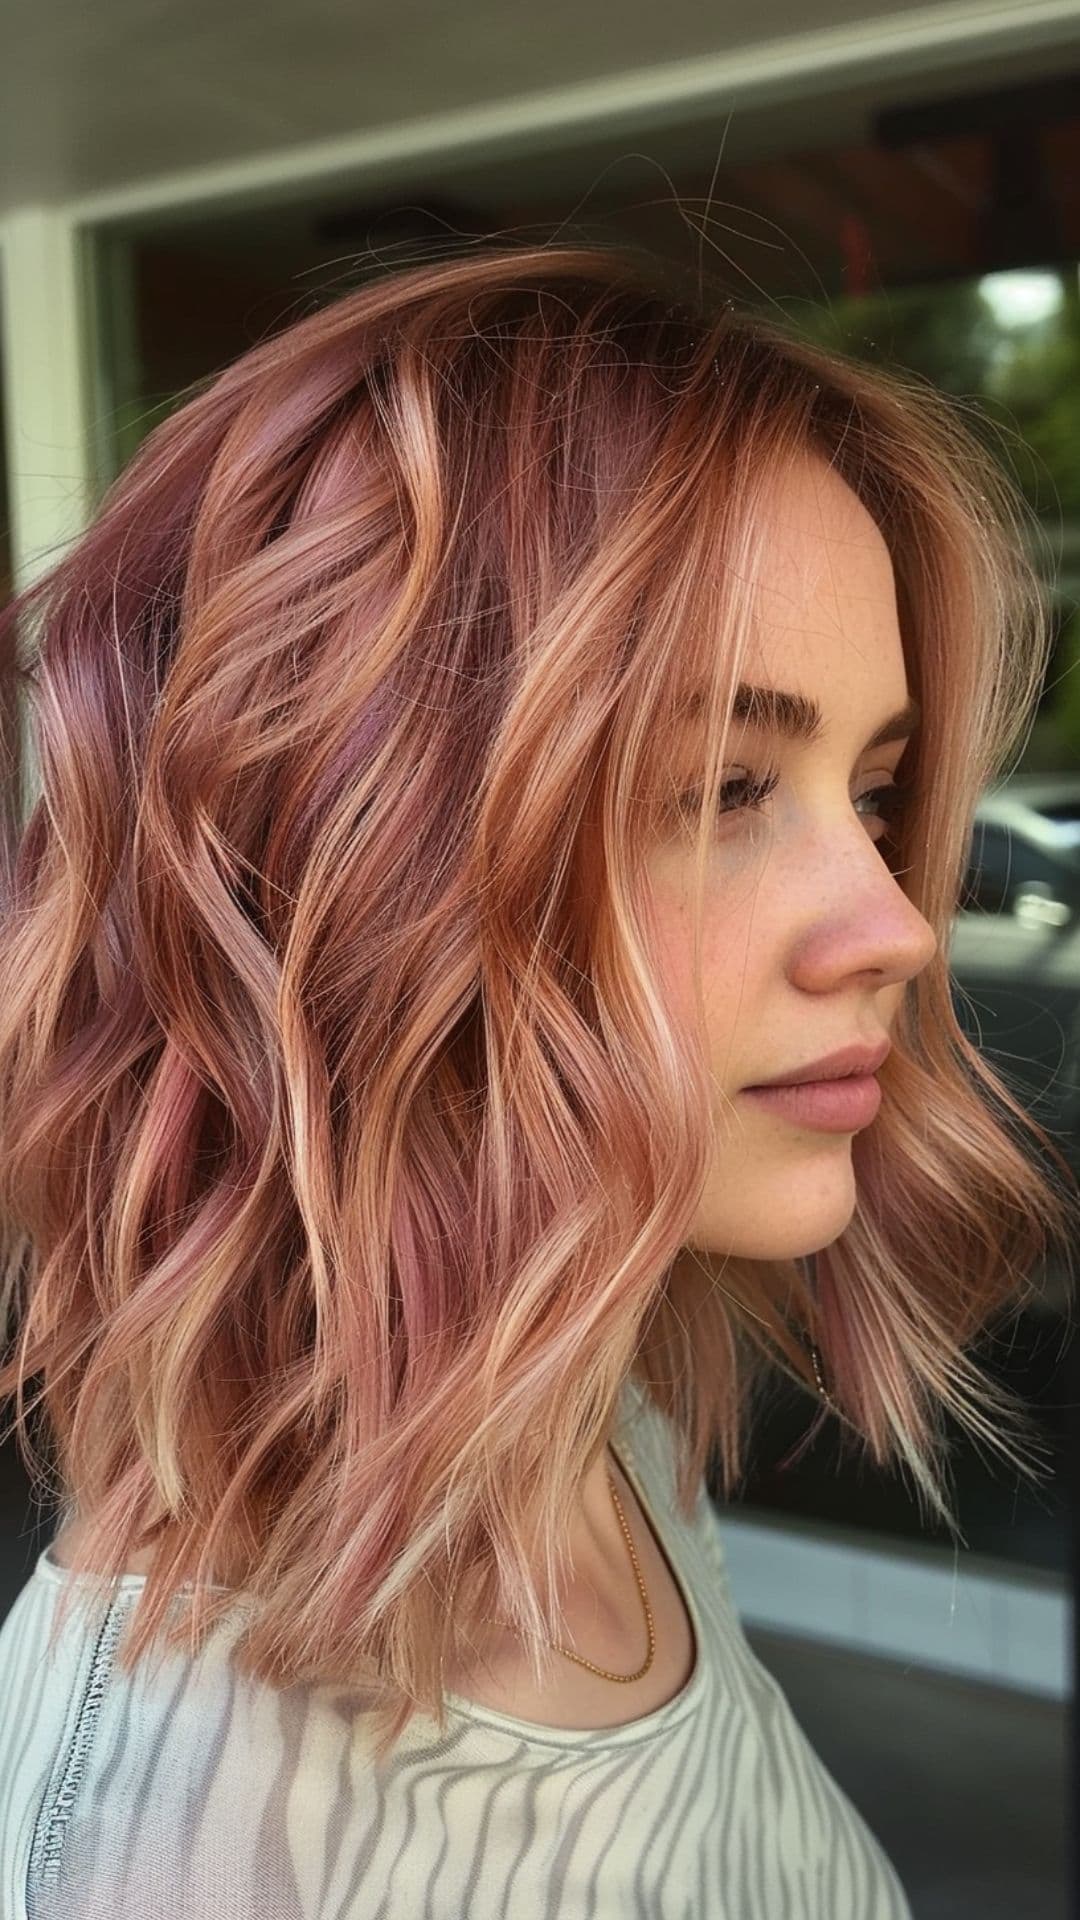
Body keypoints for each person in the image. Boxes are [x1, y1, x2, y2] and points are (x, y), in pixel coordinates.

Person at [0, 241, 1074, 1919]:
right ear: (347, 875)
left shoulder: (597, 1432)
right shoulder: (194, 1853)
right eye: (723, 785)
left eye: (870, 794)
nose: (893, 924)